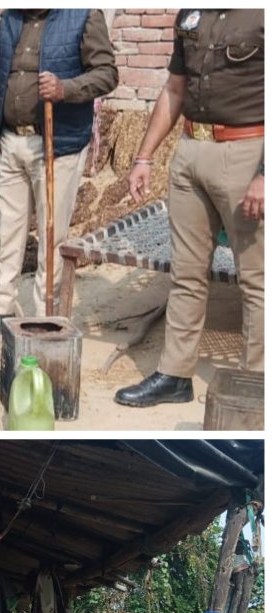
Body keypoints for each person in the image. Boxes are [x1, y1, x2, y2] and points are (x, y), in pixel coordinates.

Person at [115, 10, 264, 408]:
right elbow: (174, 89)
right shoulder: (190, 14)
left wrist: (265, 173)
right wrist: (144, 157)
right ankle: (175, 375)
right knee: (187, 273)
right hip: (190, 152)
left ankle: (255, 388)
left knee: (258, 281)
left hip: (248, 151)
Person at [0, 10, 118, 317]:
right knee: (7, 232)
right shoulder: (9, 20)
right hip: (11, 141)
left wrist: (66, 89)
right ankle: (2, 309)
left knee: (52, 236)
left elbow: (107, 74)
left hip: (55, 144)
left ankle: (44, 318)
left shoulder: (83, 16)